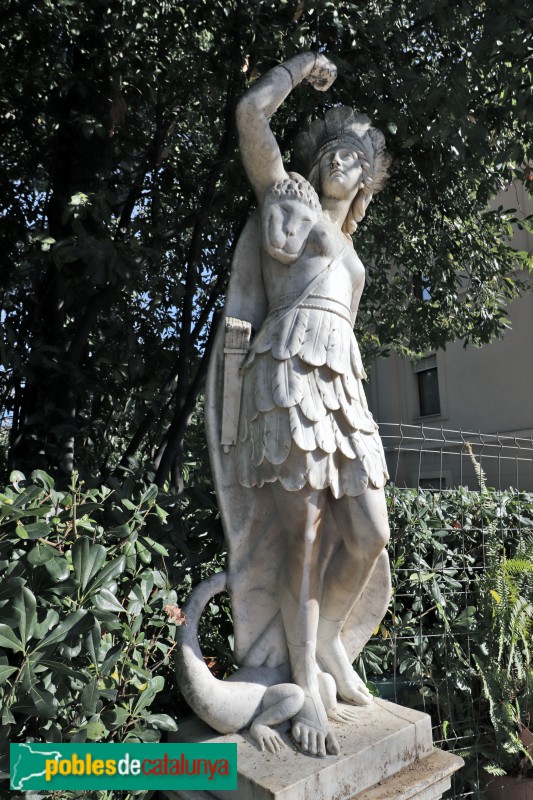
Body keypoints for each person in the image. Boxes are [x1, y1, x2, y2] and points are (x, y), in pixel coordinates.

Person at [205, 52, 392, 758]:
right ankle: (305, 685)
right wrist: (299, 66)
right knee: (305, 540)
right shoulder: (289, 196)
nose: (340, 159)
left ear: (366, 182)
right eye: (334, 151)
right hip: (285, 377)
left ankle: (324, 646)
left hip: (339, 386)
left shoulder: (351, 251)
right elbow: (250, 115)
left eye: (354, 158)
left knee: (369, 530)